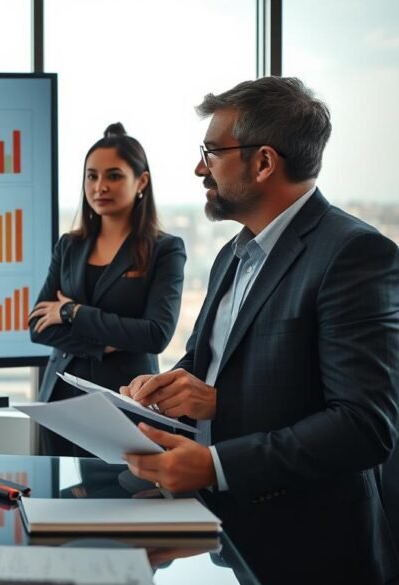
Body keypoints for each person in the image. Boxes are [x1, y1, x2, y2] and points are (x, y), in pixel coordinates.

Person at [121, 77, 399, 584]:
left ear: (264, 162)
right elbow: (209, 366)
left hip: (315, 553)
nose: (199, 168)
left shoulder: (355, 254)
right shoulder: (233, 253)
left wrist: (217, 463)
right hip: (227, 538)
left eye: (211, 152)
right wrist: (162, 389)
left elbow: (364, 426)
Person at [29, 123, 186, 456]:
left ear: (141, 181)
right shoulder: (69, 246)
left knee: (119, 500)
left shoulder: (165, 249)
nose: (100, 186)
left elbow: (156, 334)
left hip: (126, 401)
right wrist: (107, 343)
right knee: (56, 500)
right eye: (92, 176)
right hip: (61, 400)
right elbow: (38, 327)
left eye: (114, 176)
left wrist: (73, 313)